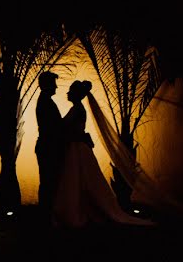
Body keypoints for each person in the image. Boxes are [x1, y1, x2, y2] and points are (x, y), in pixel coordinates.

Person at [53, 80, 154, 228]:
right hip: (79, 148)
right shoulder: (78, 108)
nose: (68, 93)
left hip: (77, 149)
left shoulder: (76, 109)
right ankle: (82, 208)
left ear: (76, 94)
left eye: (70, 91)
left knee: (76, 178)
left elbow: (65, 127)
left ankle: (75, 211)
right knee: (80, 179)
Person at [34, 70, 64, 226]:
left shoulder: (45, 101)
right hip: (48, 147)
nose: (56, 87)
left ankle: (46, 215)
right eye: (53, 84)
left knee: (47, 181)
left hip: (46, 146)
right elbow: (55, 127)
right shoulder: (46, 103)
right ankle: (46, 216)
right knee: (48, 182)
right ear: (46, 85)